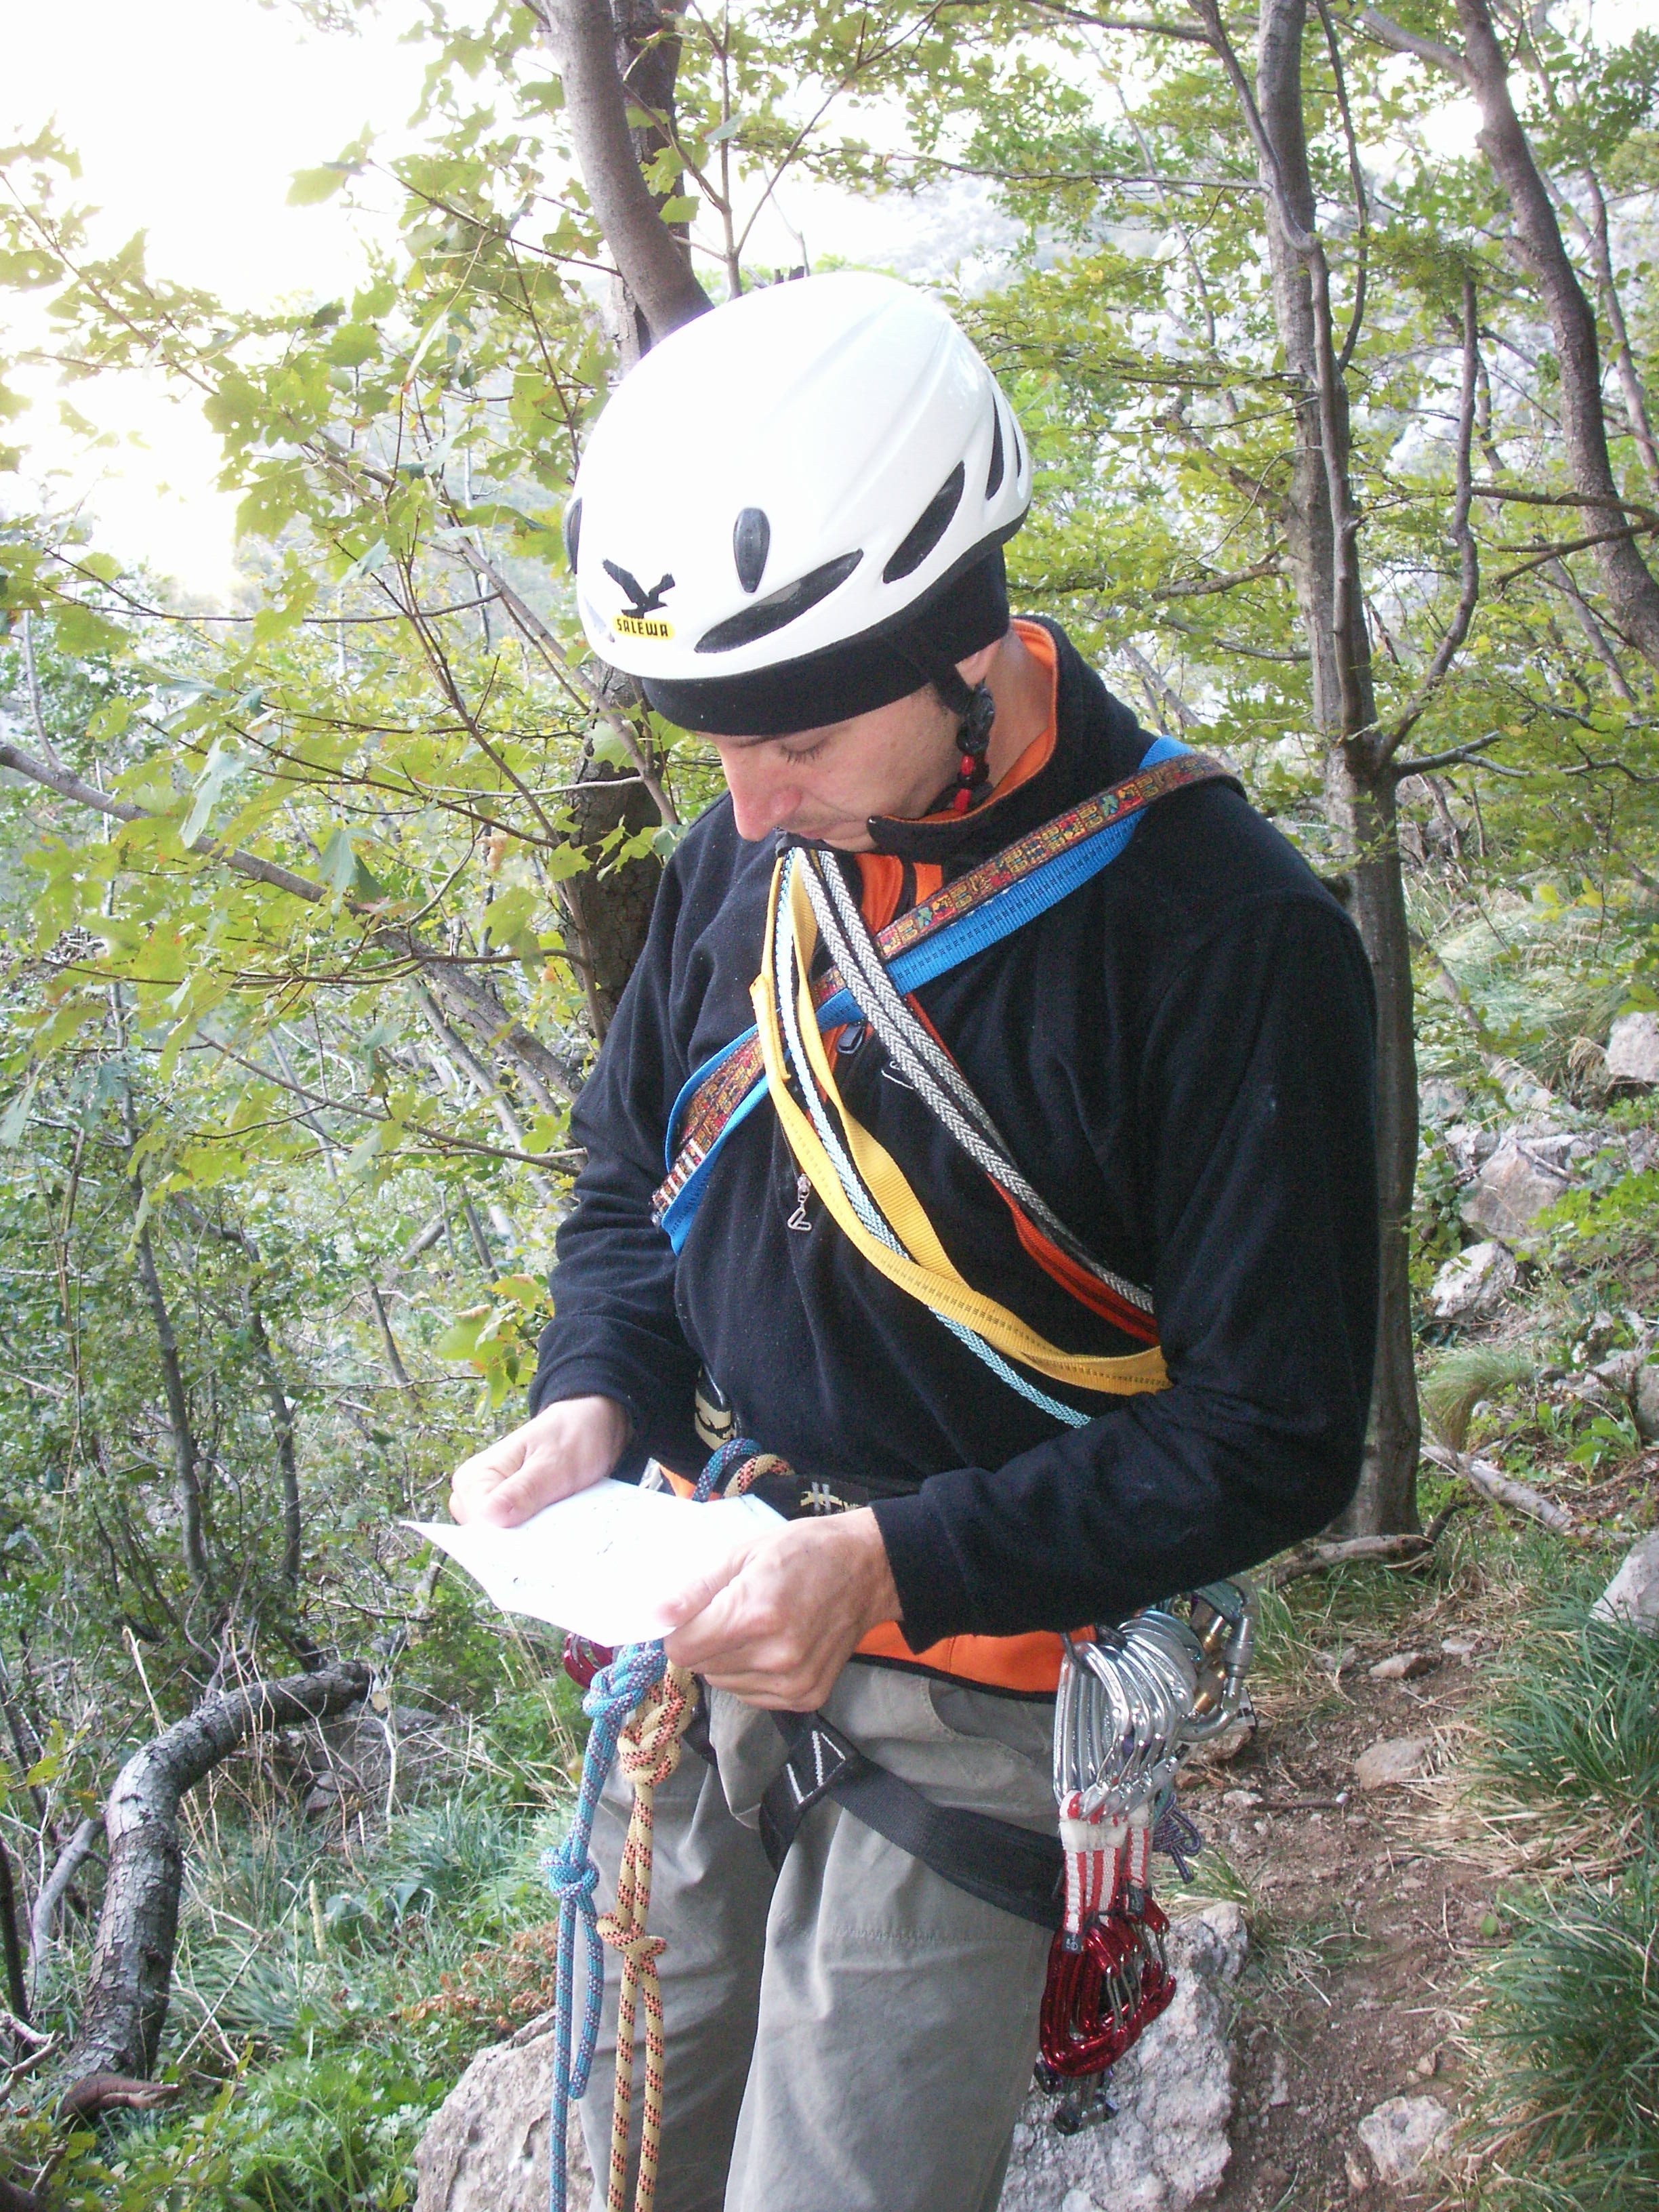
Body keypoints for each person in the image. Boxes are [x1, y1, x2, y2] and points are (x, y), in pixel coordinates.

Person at [449, 272, 1378, 2212]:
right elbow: (630, 1177)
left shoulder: (1222, 936)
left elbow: (1274, 1434)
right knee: (624, 2158)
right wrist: (598, 1394)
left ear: (961, 647)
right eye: (712, 741)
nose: (744, 803)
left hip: (991, 1664)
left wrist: (885, 1566)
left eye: (790, 735)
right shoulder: (746, 856)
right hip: (714, 1593)